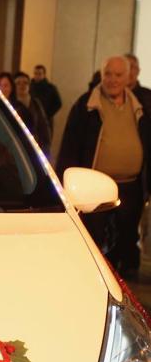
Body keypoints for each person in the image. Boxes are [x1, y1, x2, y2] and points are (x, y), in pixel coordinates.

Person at [57, 55, 151, 279]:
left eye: (118, 75)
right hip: (93, 188)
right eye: (108, 74)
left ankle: (124, 282)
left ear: (129, 77)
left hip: (131, 187)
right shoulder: (86, 105)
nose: (112, 80)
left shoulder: (142, 106)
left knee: (127, 238)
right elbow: (70, 146)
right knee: (95, 239)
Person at [13, 71, 51, 155]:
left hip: (35, 147)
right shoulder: (11, 104)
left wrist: (46, 148)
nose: (22, 86)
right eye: (18, 83)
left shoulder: (36, 104)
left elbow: (43, 126)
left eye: (25, 83)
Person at [31, 64, 62, 133]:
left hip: (46, 120)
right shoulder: (30, 87)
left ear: (44, 75)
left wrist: (47, 114)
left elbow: (58, 103)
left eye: (39, 74)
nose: (37, 76)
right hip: (32, 118)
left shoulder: (50, 88)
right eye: (35, 73)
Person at [125, 53, 151, 119]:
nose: (127, 71)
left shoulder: (148, 96)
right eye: (124, 67)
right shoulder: (111, 95)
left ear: (138, 71)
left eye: (131, 67)